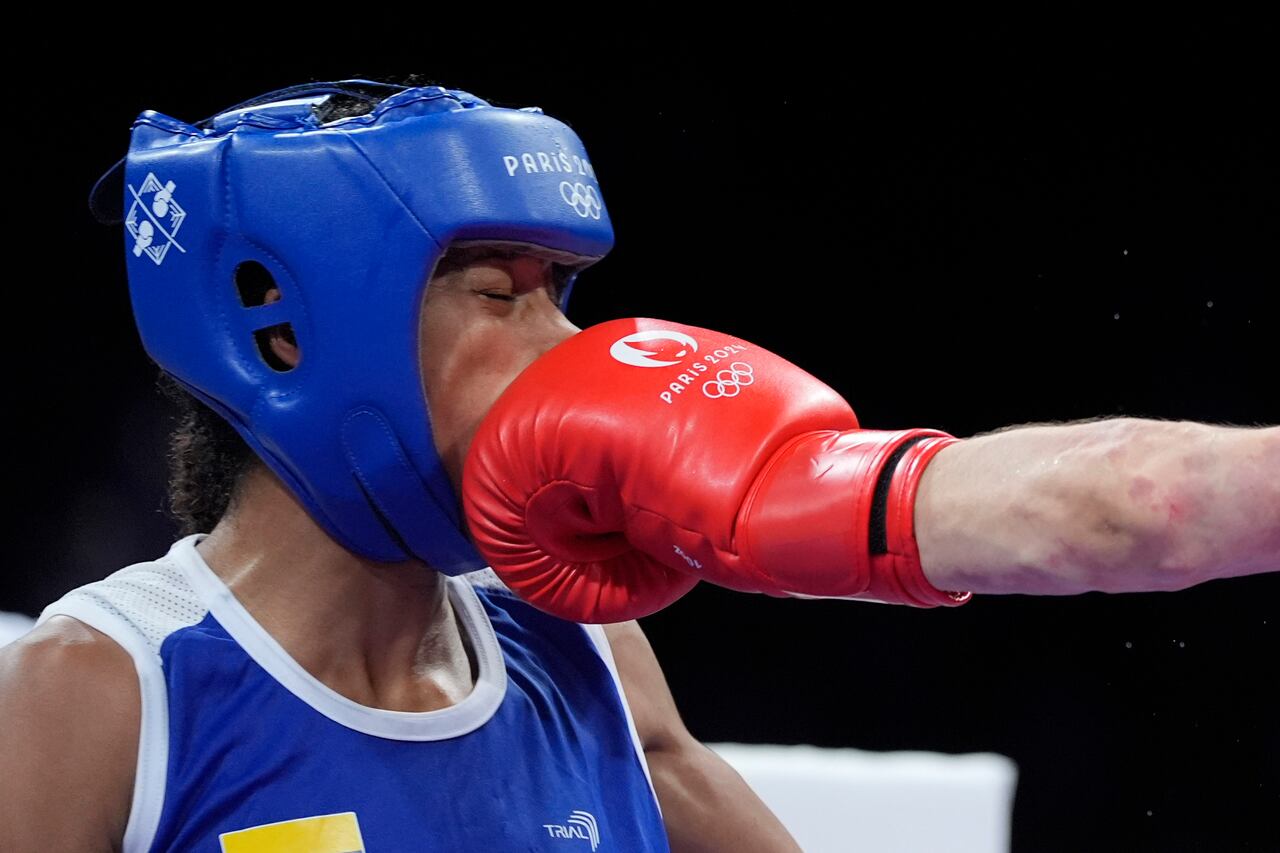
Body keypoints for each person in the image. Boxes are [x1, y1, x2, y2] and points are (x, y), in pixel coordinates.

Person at [1, 76, 1275, 852]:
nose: (565, 348)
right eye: (499, 294)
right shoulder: (106, 691)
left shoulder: (584, 650)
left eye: (561, 293)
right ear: (286, 331)